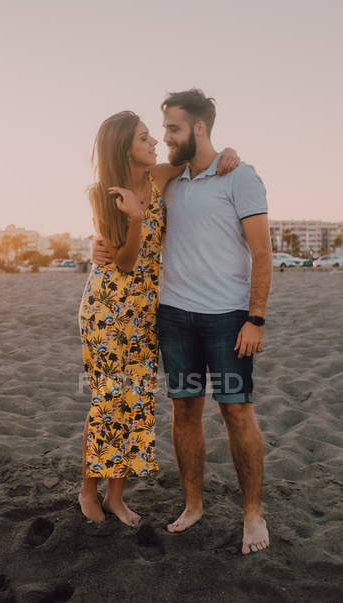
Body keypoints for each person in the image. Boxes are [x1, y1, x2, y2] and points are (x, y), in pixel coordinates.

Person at [93, 90, 272, 554]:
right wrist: (98, 247)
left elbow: (262, 253)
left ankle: (252, 513)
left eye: (173, 129)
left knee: (237, 411)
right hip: (173, 316)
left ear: (198, 128)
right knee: (184, 411)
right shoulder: (166, 179)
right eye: (161, 130)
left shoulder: (240, 175)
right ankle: (193, 505)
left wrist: (255, 318)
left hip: (228, 318)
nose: (165, 137)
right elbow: (115, 192)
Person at [79, 110, 239, 527]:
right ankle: (88, 489)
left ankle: (116, 496)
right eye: (143, 138)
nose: (154, 143)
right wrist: (134, 218)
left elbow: (197, 158)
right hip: (109, 308)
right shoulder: (101, 194)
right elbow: (126, 262)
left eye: (152, 136)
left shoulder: (160, 176)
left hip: (146, 309)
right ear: (123, 148)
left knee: (135, 401)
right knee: (108, 399)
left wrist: (229, 152)